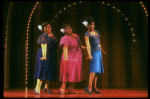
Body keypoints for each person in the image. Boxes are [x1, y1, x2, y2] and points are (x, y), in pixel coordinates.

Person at [58, 23, 86, 94]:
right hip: (68, 57)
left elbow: (80, 46)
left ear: (72, 29)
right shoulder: (64, 38)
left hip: (77, 57)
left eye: (69, 28)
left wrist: (87, 48)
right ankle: (62, 88)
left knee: (75, 73)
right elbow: (65, 48)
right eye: (66, 29)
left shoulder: (76, 36)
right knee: (67, 73)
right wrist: (66, 58)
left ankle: (71, 88)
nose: (68, 30)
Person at [83, 16, 106, 94]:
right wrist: (89, 54)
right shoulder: (87, 34)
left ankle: (94, 87)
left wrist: (102, 49)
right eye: (90, 24)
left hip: (99, 52)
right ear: (87, 25)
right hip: (94, 53)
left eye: (93, 24)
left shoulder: (96, 31)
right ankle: (89, 87)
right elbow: (88, 45)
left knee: (97, 71)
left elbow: (98, 41)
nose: (92, 26)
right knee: (93, 70)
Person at [34, 22, 57, 95]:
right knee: (42, 70)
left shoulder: (52, 34)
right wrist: (44, 56)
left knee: (49, 70)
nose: (47, 29)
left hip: (51, 55)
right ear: (43, 29)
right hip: (44, 53)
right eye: (45, 28)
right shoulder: (43, 36)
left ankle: (46, 87)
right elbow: (44, 46)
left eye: (48, 27)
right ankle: (37, 88)